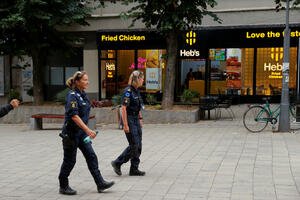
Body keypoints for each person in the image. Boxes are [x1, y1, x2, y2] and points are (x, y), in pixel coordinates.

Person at [58, 71, 114, 195]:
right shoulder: (72, 95)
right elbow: (74, 116)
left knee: (91, 156)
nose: (87, 82)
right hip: (71, 133)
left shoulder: (83, 94)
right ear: (77, 82)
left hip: (81, 134)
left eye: (87, 80)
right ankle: (63, 185)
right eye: (84, 80)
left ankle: (100, 183)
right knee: (70, 161)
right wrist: (88, 130)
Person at [111, 70, 145, 176]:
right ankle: (117, 162)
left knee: (138, 145)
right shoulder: (128, 91)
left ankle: (134, 168)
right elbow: (123, 108)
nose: (143, 80)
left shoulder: (136, 91)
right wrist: (125, 124)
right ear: (137, 79)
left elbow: (138, 106)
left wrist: (140, 118)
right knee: (134, 144)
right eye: (142, 78)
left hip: (135, 118)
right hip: (129, 119)